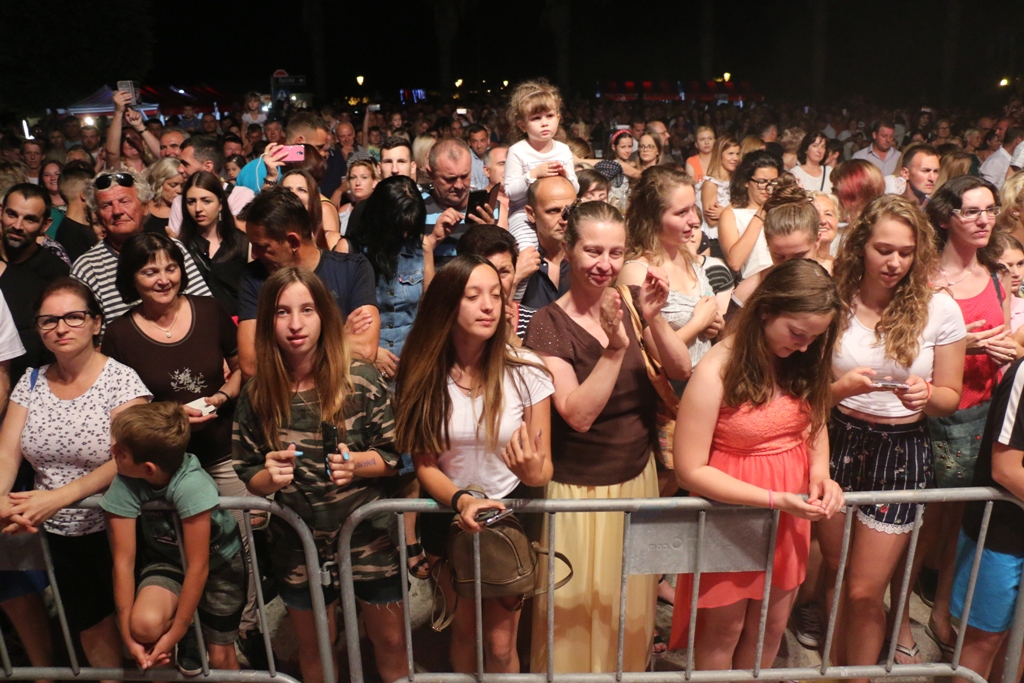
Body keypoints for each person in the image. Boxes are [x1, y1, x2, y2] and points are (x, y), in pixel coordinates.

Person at [525, 201, 692, 672]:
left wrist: (653, 318)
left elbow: (681, 370)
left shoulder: (631, 304)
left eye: (616, 253)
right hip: (578, 494)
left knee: (627, 606)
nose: (605, 264)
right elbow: (576, 414)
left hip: (636, 484)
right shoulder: (547, 323)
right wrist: (616, 349)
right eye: (593, 251)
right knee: (575, 609)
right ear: (568, 249)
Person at [669, 258, 845, 670]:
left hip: (788, 512)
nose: (804, 346)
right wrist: (773, 498)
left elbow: (814, 421)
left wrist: (821, 473)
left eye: (814, 338)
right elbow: (690, 469)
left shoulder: (804, 358)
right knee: (724, 630)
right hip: (732, 515)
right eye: (797, 333)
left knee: (770, 624)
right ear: (766, 310)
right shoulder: (716, 369)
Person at [233, 267, 406, 683]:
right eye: (282, 312)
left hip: (369, 537)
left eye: (307, 310)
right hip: (298, 544)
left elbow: (394, 456)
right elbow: (248, 469)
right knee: (315, 648)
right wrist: (268, 480)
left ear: (324, 315)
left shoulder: (360, 379)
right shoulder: (259, 393)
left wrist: (357, 464)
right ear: (267, 321)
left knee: (391, 642)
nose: (295, 324)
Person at [820, 194, 966, 676]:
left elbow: (951, 394)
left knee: (865, 589)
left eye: (905, 252)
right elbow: (806, 385)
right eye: (884, 249)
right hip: (837, 439)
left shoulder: (939, 308)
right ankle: (834, 667)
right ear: (861, 244)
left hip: (900, 450)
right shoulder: (834, 298)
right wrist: (840, 389)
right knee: (835, 576)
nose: (895, 262)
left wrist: (927, 394)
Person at [394, 254, 554, 673]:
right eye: (473, 295)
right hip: (449, 517)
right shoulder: (423, 373)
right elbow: (424, 463)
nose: (488, 306)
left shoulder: (527, 370)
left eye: (496, 296)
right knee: (462, 633)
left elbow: (543, 469)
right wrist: (462, 500)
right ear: (447, 304)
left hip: (511, 517)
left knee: (501, 646)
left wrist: (532, 471)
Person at [0, 278, 150, 683]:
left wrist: (60, 497)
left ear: (96, 323)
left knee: (141, 636)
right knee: (93, 636)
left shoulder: (122, 381)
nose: (61, 327)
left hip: (121, 527)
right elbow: (6, 452)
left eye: (73, 317)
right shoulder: (30, 382)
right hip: (62, 537)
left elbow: (127, 457)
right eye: (49, 320)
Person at [909, 175, 1021, 658]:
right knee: (919, 521)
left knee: (964, 521)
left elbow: (1012, 341)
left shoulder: (996, 276)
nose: (983, 220)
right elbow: (907, 349)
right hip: (933, 412)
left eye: (990, 210)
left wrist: (1005, 353)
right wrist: (962, 343)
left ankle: (939, 614)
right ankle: (898, 619)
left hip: (984, 414)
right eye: (972, 211)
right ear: (945, 217)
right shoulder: (925, 275)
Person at [102, 402, 245, 674]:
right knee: (143, 626)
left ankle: (190, 623)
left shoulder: (192, 486)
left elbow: (198, 565)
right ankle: (188, 622)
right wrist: (127, 635)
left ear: (148, 469)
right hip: (167, 560)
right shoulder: (126, 479)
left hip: (220, 565)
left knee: (220, 656)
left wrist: (176, 630)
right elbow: (123, 563)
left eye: (120, 452)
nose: (111, 453)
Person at [235, 186, 378, 377]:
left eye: (262, 247)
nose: (253, 254)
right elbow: (251, 363)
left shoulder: (353, 269)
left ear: (293, 242)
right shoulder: (254, 277)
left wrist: (281, 346)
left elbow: (365, 352)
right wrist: (340, 338)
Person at [72, 169, 213, 325]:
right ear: (97, 216)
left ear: (145, 207)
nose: (117, 211)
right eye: (106, 206)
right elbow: (82, 333)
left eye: (125, 201)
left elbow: (205, 310)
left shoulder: (173, 248)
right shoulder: (87, 268)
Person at [346, 175, 439, 379]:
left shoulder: (421, 249)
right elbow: (334, 318)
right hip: (363, 367)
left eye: (410, 227)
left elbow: (429, 311)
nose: (405, 234)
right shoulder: (350, 250)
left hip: (411, 364)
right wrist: (369, 352)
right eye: (399, 227)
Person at [504, 80, 579, 254]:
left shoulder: (563, 149)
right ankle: (525, 282)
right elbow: (510, 192)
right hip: (523, 214)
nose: (544, 123)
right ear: (522, 125)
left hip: (561, 214)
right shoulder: (517, 151)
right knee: (527, 251)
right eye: (536, 118)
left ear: (558, 118)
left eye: (550, 116)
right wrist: (533, 174)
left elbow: (575, 189)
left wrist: (566, 176)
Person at [178, 171, 249, 316]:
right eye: (191, 202)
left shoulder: (242, 242)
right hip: (197, 324)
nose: (198, 209)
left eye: (206, 201)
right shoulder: (180, 247)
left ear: (220, 204)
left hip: (239, 323)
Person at [457, 225, 537, 341]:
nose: (496, 281)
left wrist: (510, 336)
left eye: (504, 272)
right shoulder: (448, 325)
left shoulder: (536, 321)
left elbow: (538, 360)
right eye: (487, 271)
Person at [718, 150, 783, 278]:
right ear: (746, 182)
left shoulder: (782, 211)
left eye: (773, 182)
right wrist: (761, 214)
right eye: (762, 182)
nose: (768, 188)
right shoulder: (732, 214)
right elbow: (735, 262)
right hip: (753, 285)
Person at [518, 176, 576, 307]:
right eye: (553, 211)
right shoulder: (520, 261)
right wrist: (516, 277)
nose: (564, 220)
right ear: (531, 214)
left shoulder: (586, 259)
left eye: (570, 210)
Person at [699, 135, 741, 255]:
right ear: (719, 155)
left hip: (734, 237)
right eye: (730, 153)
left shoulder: (736, 182)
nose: (735, 158)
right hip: (716, 242)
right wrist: (736, 206)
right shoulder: (710, 184)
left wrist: (724, 212)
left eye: (737, 154)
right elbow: (712, 220)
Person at [338, 159, 379, 238]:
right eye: (353, 178)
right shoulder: (344, 210)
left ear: (374, 182)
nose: (357, 183)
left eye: (364, 177)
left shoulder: (380, 208)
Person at [143, 157, 182, 235]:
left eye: (182, 185)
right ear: (159, 183)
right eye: (173, 185)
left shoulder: (184, 210)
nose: (179, 190)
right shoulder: (144, 208)